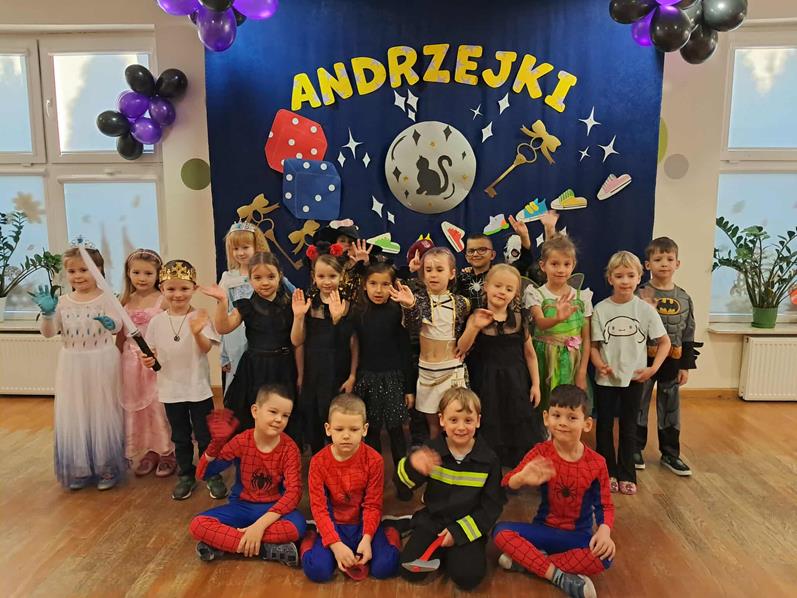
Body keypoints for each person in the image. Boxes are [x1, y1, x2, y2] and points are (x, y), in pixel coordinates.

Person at [493, 385, 615, 598]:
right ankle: (558, 575)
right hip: (543, 530)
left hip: (577, 537)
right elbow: (506, 483)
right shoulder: (541, 452)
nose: (562, 423)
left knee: (605, 556)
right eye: (556, 415)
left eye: (572, 417)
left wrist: (604, 532)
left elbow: (605, 505)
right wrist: (520, 479)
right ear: (546, 418)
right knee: (500, 532)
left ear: (587, 424)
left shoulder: (597, 463)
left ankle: (529, 562)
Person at [34, 244, 125, 490]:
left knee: (102, 411)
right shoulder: (62, 302)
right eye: (72, 271)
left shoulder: (107, 297)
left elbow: (118, 325)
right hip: (72, 363)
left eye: (84, 270)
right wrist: (48, 314)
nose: (78, 276)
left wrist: (111, 323)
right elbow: (49, 333)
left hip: (102, 361)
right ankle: (80, 467)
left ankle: (106, 466)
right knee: (76, 413)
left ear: (99, 270)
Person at [396, 388, 505, 591]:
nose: (461, 427)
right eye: (453, 420)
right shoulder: (431, 451)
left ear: (478, 421)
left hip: (467, 524)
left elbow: (492, 506)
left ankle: (453, 554)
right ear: (442, 420)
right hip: (433, 520)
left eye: (468, 420)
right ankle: (421, 534)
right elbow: (402, 488)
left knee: (468, 578)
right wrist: (412, 465)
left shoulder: (489, 460)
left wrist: (458, 533)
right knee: (409, 571)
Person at [189, 386, 306, 565]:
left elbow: (294, 493)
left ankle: (225, 543)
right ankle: (267, 550)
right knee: (198, 524)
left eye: (285, 415)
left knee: (298, 527)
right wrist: (215, 444)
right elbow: (202, 474)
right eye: (273, 412)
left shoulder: (290, 449)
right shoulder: (241, 441)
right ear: (255, 411)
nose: (279, 419)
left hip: (273, 510)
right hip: (241, 507)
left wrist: (259, 526)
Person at [141, 259, 227, 501]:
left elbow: (205, 348)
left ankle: (211, 473)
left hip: (198, 388)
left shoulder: (200, 316)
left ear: (194, 288)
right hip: (170, 389)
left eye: (184, 288)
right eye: (171, 288)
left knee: (205, 435)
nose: (177, 294)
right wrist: (148, 360)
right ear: (162, 289)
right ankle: (186, 474)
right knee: (180, 436)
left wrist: (198, 332)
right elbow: (152, 354)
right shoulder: (157, 322)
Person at [590, 251, 671, 495]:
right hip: (605, 380)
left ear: (639, 278)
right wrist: (599, 363)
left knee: (628, 427)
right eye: (619, 276)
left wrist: (653, 369)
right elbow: (593, 346)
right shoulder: (601, 309)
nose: (624, 281)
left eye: (630, 275)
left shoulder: (645, 310)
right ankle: (607, 473)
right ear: (610, 278)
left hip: (635, 379)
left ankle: (627, 473)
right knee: (604, 427)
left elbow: (664, 342)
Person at [301, 394, 401, 582]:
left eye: (354, 429)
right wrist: (335, 544)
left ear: (364, 430)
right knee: (317, 570)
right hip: (334, 524)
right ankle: (310, 538)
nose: (346, 435)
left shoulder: (374, 460)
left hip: (363, 524)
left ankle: (391, 532)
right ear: (328, 429)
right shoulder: (318, 462)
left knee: (385, 567)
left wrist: (367, 538)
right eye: (339, 429)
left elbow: (372, 504)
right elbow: (319, 508)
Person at [200, 252, 299, 436]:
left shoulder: (290, 304)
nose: (265, 282)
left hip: (283, 365)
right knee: (256, 411)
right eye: (258, 278)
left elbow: (298, 340)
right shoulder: (246, 305)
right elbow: (223, 327)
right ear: (250, 280)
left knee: (282, 409)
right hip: (255, 367)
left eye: (271, 276)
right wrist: (222, 302)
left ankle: (283, 449)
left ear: (279, 276)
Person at [457, 264, 544, 466]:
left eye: (509, 289)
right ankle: (490, 465)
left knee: (517, 420)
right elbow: (462, 348)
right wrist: (474, 327)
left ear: (515, 294)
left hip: (516, 382)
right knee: (490, 421)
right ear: (486, 286)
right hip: (486, 382)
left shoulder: (520, 319)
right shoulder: (476, 316)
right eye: (498, 286)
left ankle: (516, 466)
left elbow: (530, 354)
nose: (502, 292)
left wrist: (536, 384)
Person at [635, 237, 700, 476]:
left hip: (672, 360)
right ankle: (634, 449)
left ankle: (671, 453)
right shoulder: (639, 294)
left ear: (677, 264)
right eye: (658, 259)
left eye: (669, 259)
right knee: (639, 404)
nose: (664, 263)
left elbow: (688, 332)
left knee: (670, 407)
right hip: (644, 358)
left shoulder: (684, 298)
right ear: (647, 264)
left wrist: (685, 366)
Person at [390, 247, 470, 438]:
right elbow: (412, 327)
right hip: (427, 371)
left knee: (454, 422)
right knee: (433, 426)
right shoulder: (417, 300)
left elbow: (466, 332)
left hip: (452, 370)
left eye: (439, 269)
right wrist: (410, 306)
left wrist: (467, 348)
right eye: (428, 270)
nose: (433, 274)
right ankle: (436, 454)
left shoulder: (462, 303)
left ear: (452, 273)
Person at [351, 261, 415, 500]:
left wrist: (408, 388)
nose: (378, 290)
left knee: (397, 434)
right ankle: (373, 482)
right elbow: (353, 348)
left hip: (393, 379)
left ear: (393, 286)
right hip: (367, 379)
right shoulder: (358, 312)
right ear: (364, 285)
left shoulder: (397, 312)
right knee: (372, 434)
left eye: (385, 284)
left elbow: (405, 351)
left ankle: (402, 481)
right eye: (373, 284)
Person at [291, 244, 357, 452]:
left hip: (338, 369)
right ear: (314, 277)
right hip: (314, 369)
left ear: (341, 276)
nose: (327, 281)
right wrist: (298, 317)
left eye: (332, 276)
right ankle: (318, 459)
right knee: (313, 416)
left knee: (336, 416)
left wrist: (352, 375)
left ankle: (339, 458)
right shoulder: (308, 303)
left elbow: (353, 343)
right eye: (321, 276)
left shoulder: (347, 304)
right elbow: (297, 341)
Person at [117, 248, 176, 478]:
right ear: (128, 273)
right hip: (130, 364)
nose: (142, 278)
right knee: (138, 410)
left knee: (158, 408)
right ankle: (149, 450)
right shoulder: (124, 301)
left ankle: (167, 451)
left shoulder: (164, 300)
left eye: (148, 273)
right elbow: (120, 337)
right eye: (136, 273)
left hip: (156, 362)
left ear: (158, 274)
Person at [525, 234, 593, 414]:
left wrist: (581, 372)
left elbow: (586, 338)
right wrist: (557, 318)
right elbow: (541, 323)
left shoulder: (582, 297)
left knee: (570, 404)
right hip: (544, 359)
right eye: (554, 264)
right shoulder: (536, 294)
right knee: (547, 405)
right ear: (543, 266)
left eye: (566, 264)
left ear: (573, 265)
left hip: (572, 362)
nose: (561, 269)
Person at [217, 221, 270, 393]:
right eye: (235, 248)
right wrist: (223, 354)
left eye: (245, 247)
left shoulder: (268, 275)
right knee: (239, 384)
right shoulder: (228, 278)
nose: (240, 253)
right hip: (236, 338)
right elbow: (224, 316)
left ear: (257, 246)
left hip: (263, 338)